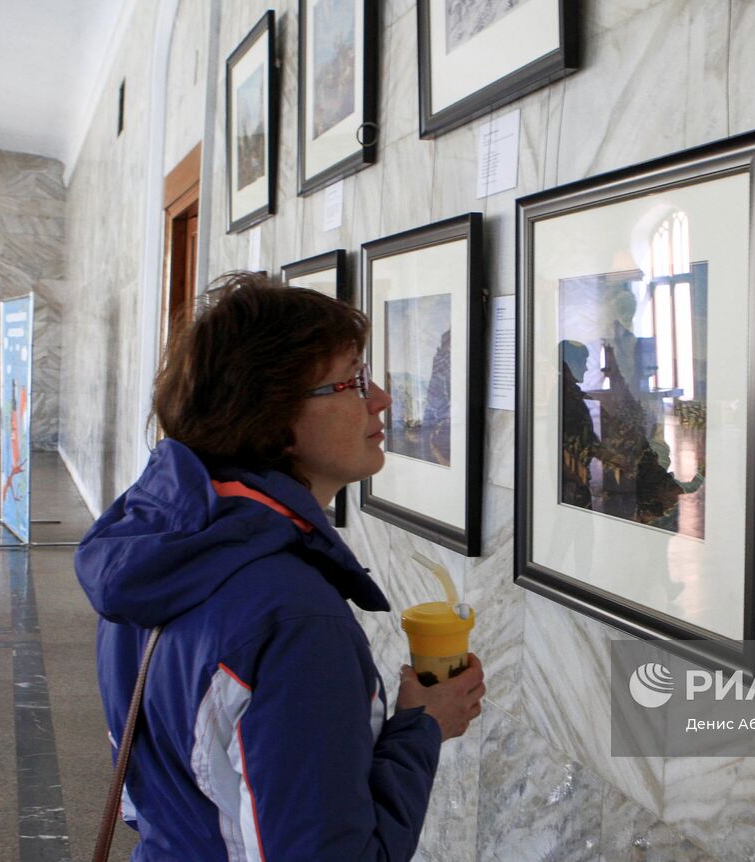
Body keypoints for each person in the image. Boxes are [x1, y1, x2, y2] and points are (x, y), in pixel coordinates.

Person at [75, 272, 484, 860]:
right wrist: (422, 729)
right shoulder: (294, 619)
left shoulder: (150, 552)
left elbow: (158, 793)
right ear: (274, 414)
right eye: (353, 381)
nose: (382, 399)